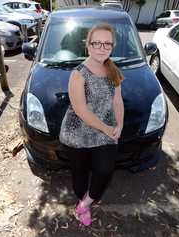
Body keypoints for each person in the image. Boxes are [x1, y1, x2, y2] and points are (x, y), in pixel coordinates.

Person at [59, 23, 124, 226]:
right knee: (80, 174)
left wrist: (119, 124)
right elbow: (81, 111)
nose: (102, 48)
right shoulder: (78, 74)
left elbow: (117, 100)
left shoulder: (113, 69)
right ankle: (83, 202)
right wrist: (107, 129)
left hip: (104, 130)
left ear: (112, 47)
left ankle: (85, 203)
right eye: (97, 43)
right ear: (88, 45)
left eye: (107, 44)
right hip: (78, 133)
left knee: (104, 171)